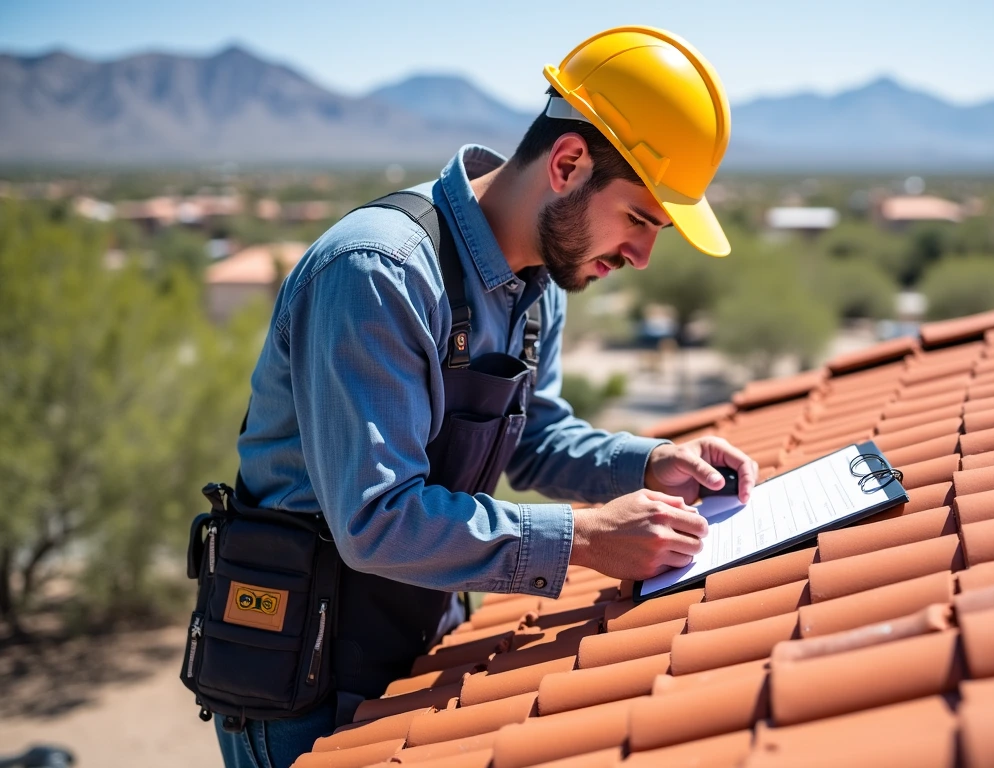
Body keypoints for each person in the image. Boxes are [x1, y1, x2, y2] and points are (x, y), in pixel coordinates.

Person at [213, 26, 756, 768]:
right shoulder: (379, 273)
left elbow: (534, 438)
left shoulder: (536, 286)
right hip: (301, 682)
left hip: (414, 637)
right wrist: (588, 539)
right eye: (638, 219)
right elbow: (376, 519)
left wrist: (653, 463)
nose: (641, 257)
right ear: (567, 164)